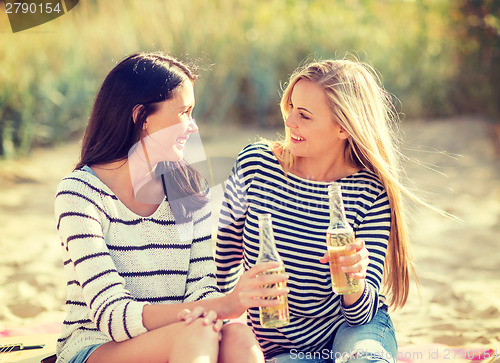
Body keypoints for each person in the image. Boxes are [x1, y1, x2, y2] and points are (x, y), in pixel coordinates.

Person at [54, 52, 289, 363]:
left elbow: (202, 291)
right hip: (97, 346)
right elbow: (112, 316)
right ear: (142, 117)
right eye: (184, 112)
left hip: (183, 335)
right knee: (197, 333)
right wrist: (224, 306)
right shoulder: (80, 193)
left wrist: (215, 309)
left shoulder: (190, 191)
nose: (192, 127)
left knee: (238, 336)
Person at [216, 58, 420, 363]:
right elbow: (223, 261)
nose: (289, 122)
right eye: (291, 109)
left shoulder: (370, 192)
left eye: (304, 116)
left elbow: (360, 314)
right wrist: (225, 315)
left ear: (343, 128)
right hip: (283, 346)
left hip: (352, 330)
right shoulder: (254, 165)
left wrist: (355, 277)